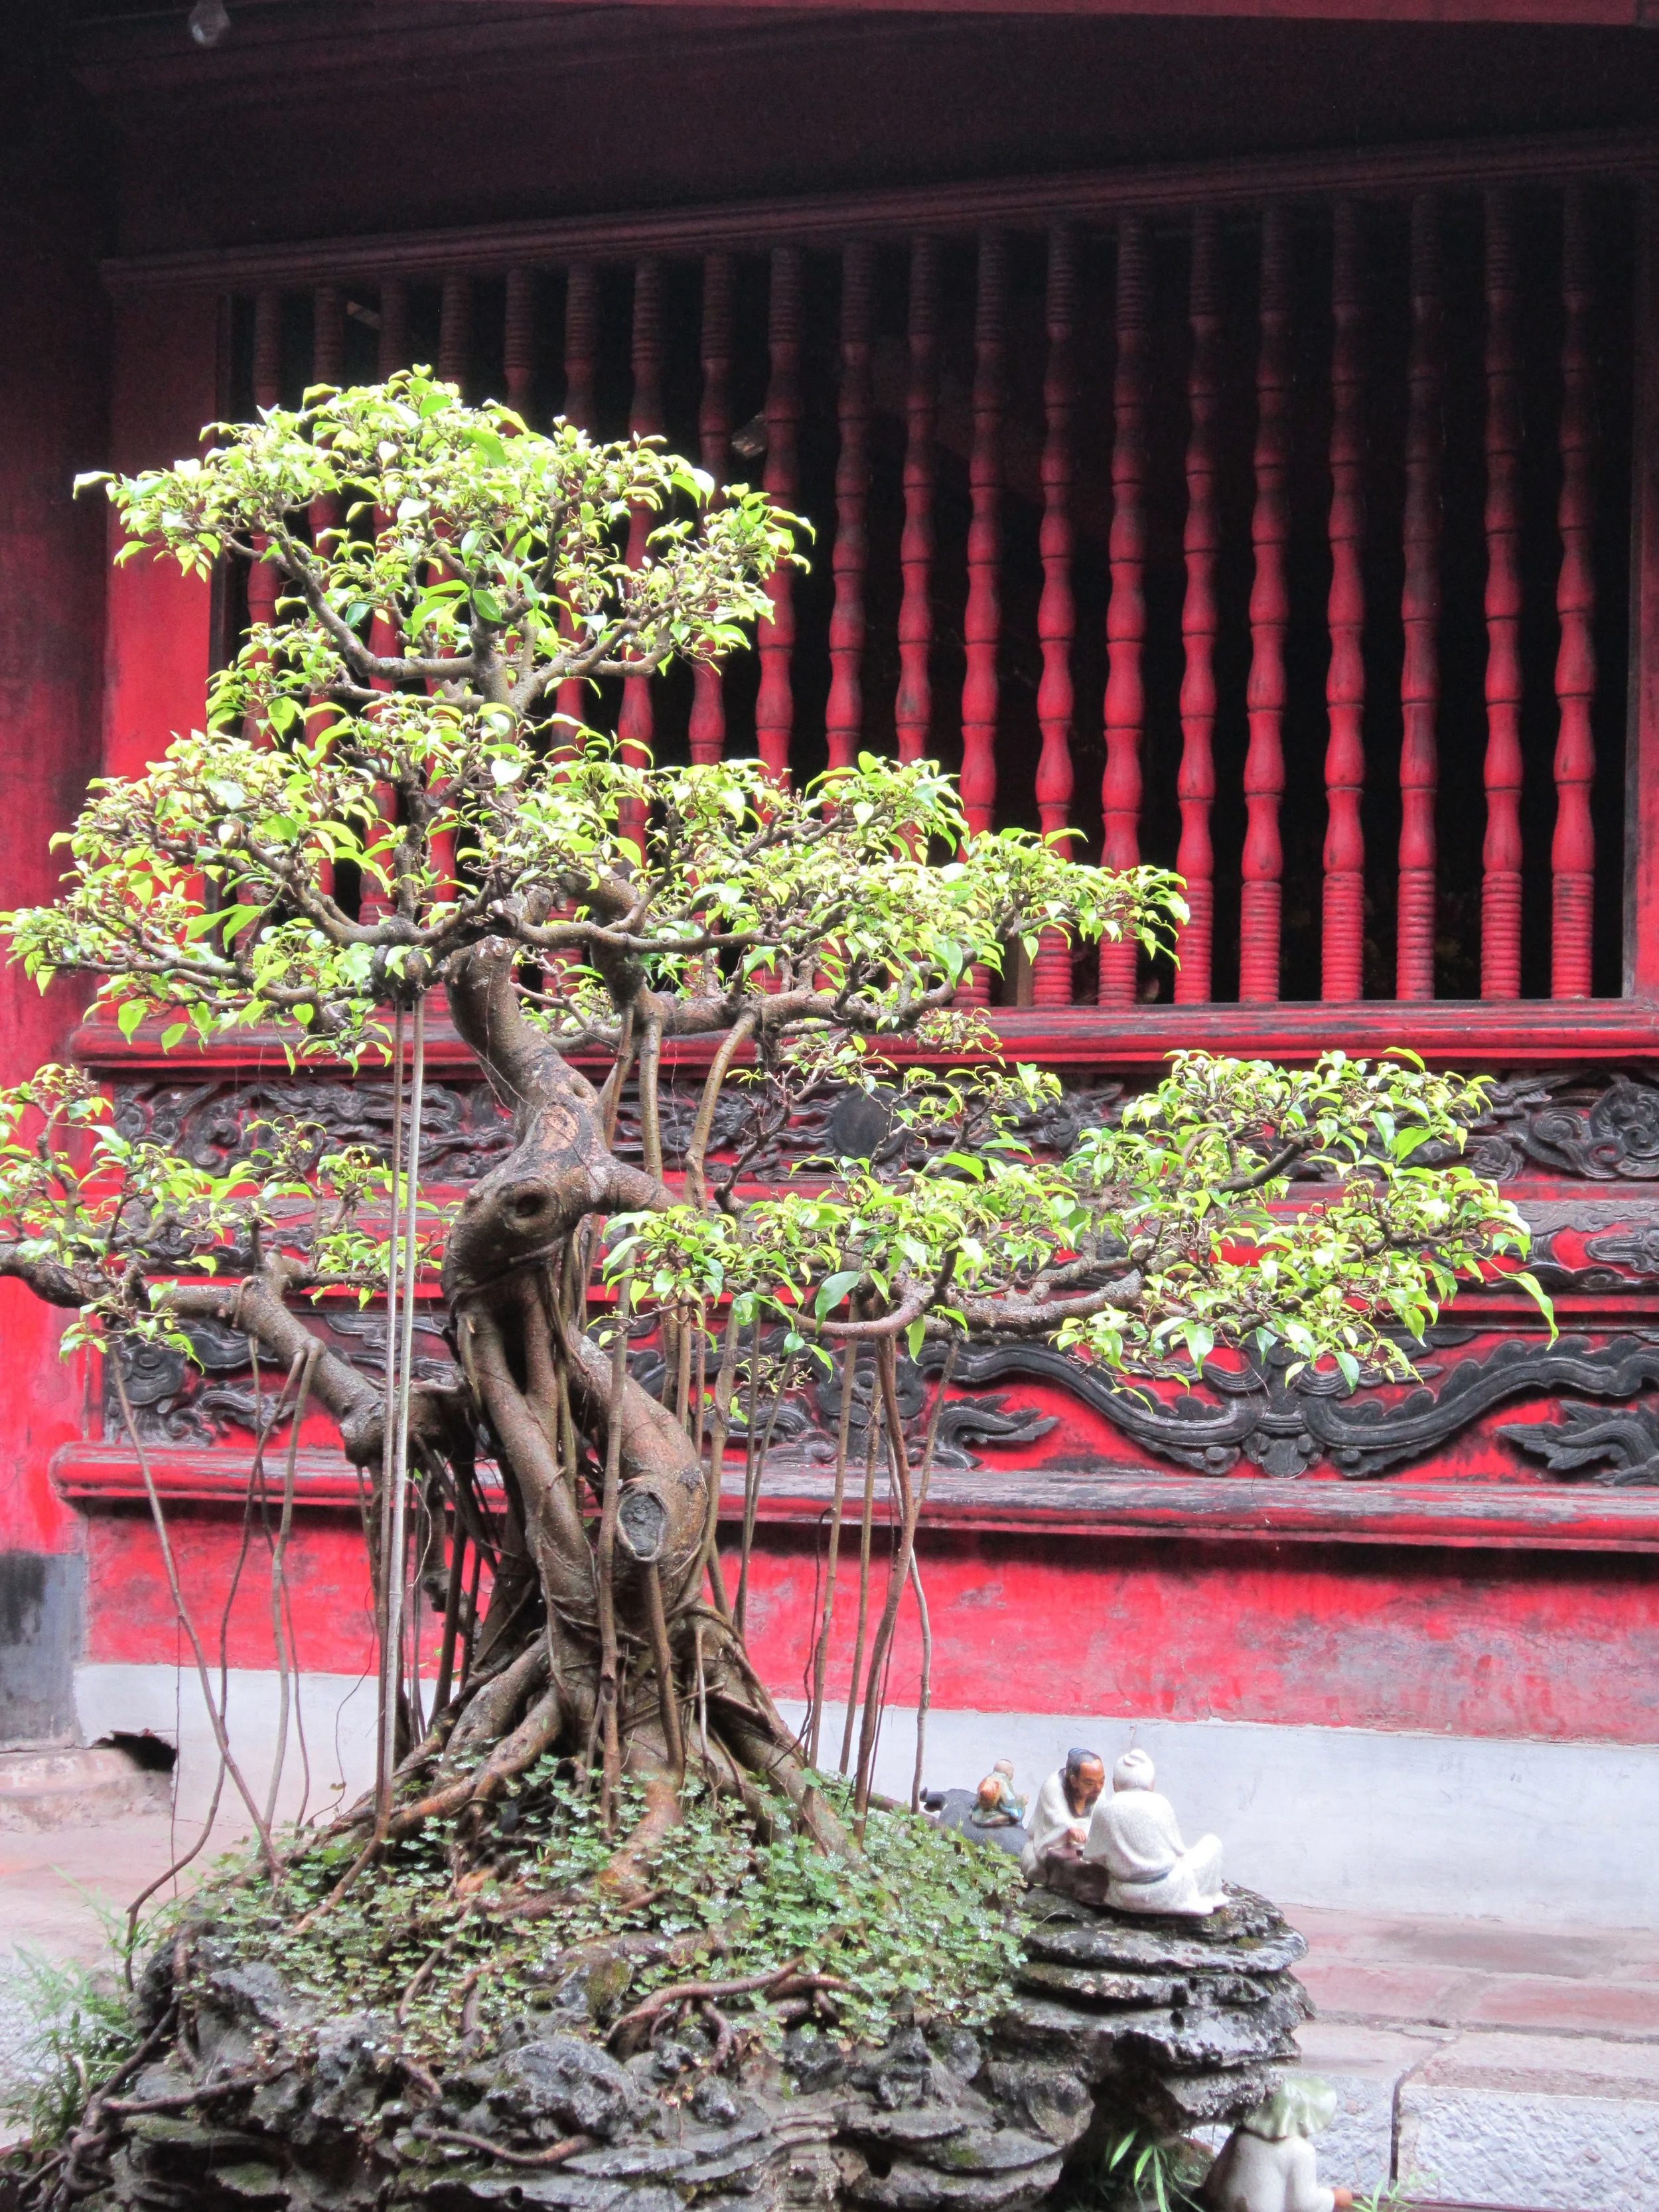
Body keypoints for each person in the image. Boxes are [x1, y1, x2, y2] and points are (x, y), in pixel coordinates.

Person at [1082, 1747, 1226, 1915]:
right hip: (1167, 1889)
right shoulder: (1160, 1804)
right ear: (1151, 1783)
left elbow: (1092, 1855)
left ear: (1114, 1784)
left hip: (1122, 1894)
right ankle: (1211, 1896)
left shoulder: (1105, 1809)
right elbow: (1179, 1850)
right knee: (1212, 1844)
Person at [1201, 2079, 1354, 2212]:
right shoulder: (1301, 2151)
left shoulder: (1241, 2136)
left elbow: (1213, 2184)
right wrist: (1332, 2198)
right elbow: (1304, 2204)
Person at [1019, 1748, 1106, 1878]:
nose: (1098, 1788)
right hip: (1054, 1838)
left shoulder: (1098, 1791)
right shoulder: (1053, 1785)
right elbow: (1054, 1814)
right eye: (1090, 1784)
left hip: (1085, 1844)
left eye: (1102, 1781)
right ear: (1074, 1780)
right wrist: (1070, 1828)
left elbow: (1100, 1815)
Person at [972, 1758, 1026, 1828]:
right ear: (1008, 1774)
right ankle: (1014, 1823)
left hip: (982, 1807)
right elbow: (1009, 1801)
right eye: (1012, 1773)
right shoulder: (1003, 1781)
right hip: (995, 1808)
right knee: (1021, 1809)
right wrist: (1022, 1801)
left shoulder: (989, 1777)